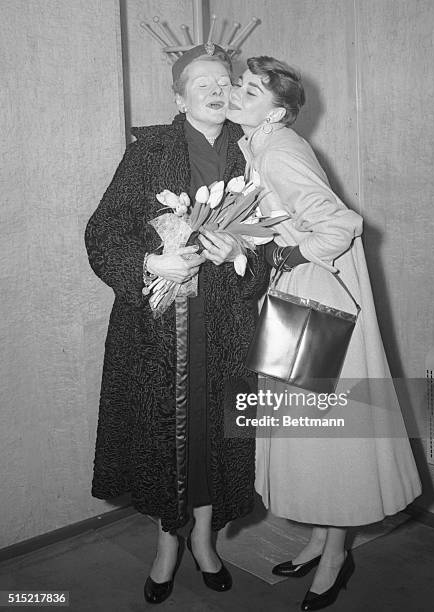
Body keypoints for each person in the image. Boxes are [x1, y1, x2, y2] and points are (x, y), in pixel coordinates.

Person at [227, 56, 422, 611]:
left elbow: (340, 224)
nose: (239, 93)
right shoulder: (260, 146)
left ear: (279, 110)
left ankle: (336, 554)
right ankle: (320, 540)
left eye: (252, 89)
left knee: (328, 433)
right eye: (239, 85)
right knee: (310, 434)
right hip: (299, 296)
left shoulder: (281, 150)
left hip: (315, 297)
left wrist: (291, 252)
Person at [85, 44, 269, 605]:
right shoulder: (149, 151)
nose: (217, 89)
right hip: (158, 329)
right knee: (167, 438)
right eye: (202, 82)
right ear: (178, 95)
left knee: (215, 436)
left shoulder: (251, 155)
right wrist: (148, 263)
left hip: (226, 328)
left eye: (224, 80)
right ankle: (168, 545)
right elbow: (103, 232)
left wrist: (235, 255)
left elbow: (268, 250)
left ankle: (206, 542)